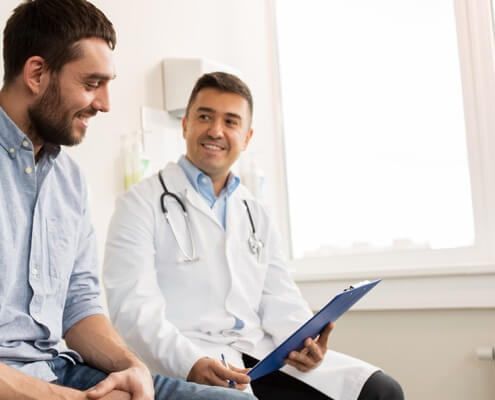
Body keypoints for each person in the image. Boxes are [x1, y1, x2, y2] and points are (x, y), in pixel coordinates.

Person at [0, 2, 256, 399]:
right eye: (91, 84)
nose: (104, 103)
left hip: (58, 372)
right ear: (36, 73)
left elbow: (79, 307)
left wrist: (132, 368)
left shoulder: (67, 179)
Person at [103, 72, 404, 400]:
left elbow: (279, 297)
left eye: (231, 121)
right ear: (185, 125)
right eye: (205, 117)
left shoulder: (255, 211)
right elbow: (133, 309)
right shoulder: (138, 204)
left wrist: (307, 342)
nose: (216, 130)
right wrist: (190, 362)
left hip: (259, 355)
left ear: (246, 137)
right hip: (188, 357)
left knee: (380, 390)